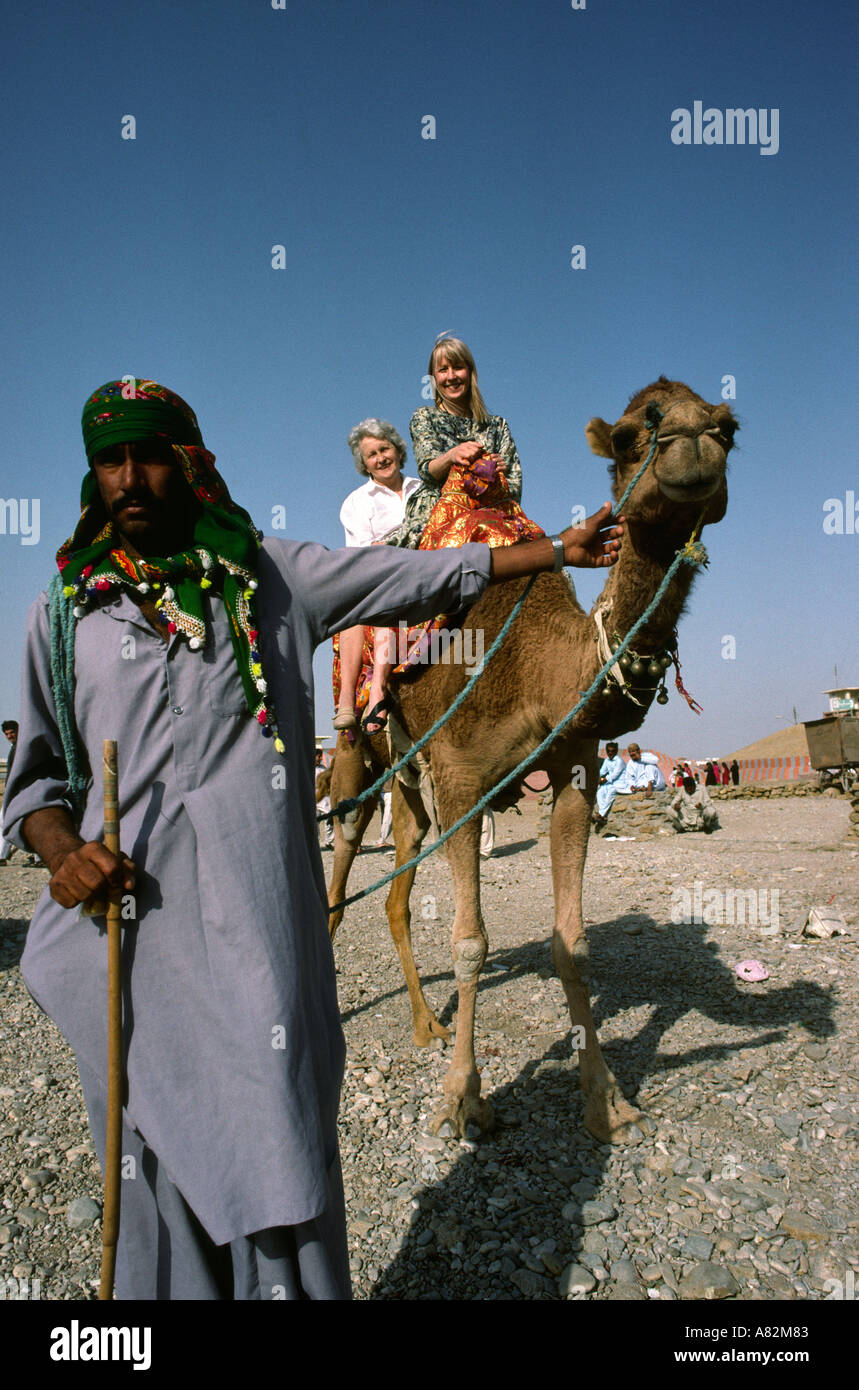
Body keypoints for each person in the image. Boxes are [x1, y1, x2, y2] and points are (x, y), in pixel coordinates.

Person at [2, 377, 624, 1301]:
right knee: (146, 1152)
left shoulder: (269, 578)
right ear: (93, 474)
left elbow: (405, 576)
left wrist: (550, 554)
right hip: (129, 947)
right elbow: (38, 782)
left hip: (263, 934)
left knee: (277, 1127)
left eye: (150, 457)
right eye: (110, 459)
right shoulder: (61, 614)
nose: (129, 478)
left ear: (191, 465)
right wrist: (61, 852)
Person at [391, 335, 523, 550]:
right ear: (434, 378)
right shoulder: (424, 417)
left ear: (470, 372)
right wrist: (452, 455)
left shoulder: (497, 426)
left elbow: (515, 486)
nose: (451, 376)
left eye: (458, 368)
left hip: (493, 513)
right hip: (437, 511)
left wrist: (499, 475)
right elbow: (428, 469)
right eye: (443, 370)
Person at [334, 420, 420, 735]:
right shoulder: (357, 501)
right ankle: (362, 697)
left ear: (397, 450)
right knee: (361, 605)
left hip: (425, 567)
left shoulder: (422, 489)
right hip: (380, 572)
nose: (380, 458)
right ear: (364, 464)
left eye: (385, 449)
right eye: (372, 454)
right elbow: (360, 554)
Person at [593, 742, 666, 829]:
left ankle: (649, 786)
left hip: (655, 783)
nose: (631, 754)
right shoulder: (631, 763)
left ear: (638, 751)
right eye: (630, 752)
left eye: (633, 751)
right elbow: (629, 778)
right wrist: (632, 785)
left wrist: (641, 758)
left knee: (650, 766)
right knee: (604, 790)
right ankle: (601, 814)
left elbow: (655, 760)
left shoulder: (647, 756)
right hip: (640, 785)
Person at [0, 721, 19, 864]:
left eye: (11, 732)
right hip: (13, 792)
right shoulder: (15, 748)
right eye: (7, 734)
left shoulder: (21, 748)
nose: (9, 736)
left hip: (19, 792)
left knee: (4, 821)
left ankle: (2, 855)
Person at [593, 741, 625, 825]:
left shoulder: (619, 761)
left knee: (611, 792)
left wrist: (602, 780)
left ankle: (601, 814)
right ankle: (602, 816)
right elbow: (602, 771)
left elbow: (614, 775)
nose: (610, 753)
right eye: (608, 751)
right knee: (600, 791)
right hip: (609, 783)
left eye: (612, 751)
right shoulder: (607, 760)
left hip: (620, 783)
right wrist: (596, 778)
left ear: (616, 751)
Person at [315, 749, 334, 849]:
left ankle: (330, 841)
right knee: (314, 823)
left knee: (329, 820)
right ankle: (315, 843)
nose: (321, 758)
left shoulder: (323, 769)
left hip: (325, 800)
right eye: (319, 756)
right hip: (313, 800)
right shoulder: (306, 769)